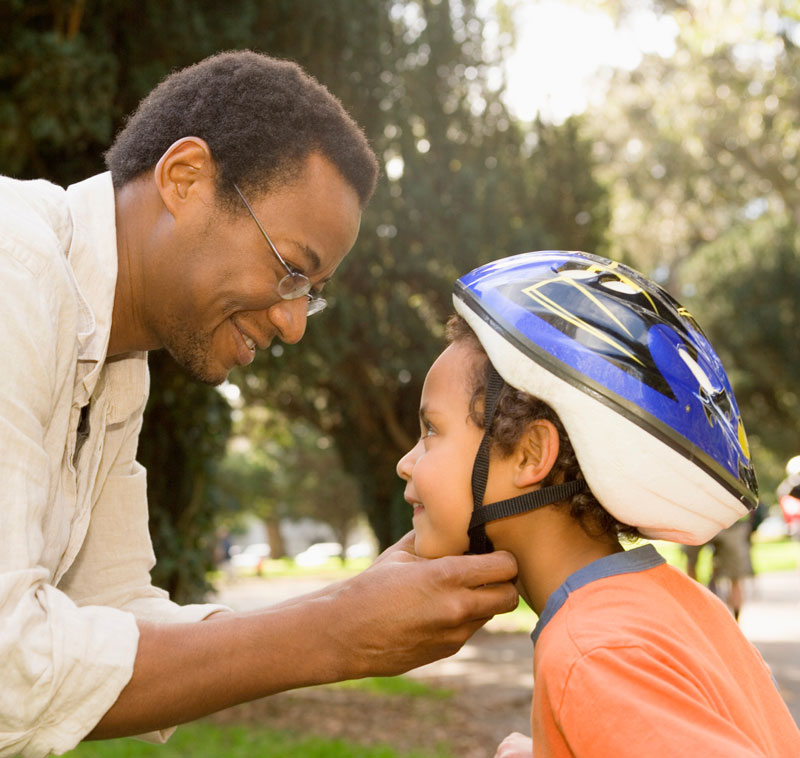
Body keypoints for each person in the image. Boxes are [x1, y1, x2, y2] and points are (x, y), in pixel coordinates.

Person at [0, 51, 518, 757]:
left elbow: (111, 609)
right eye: (290, 270)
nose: (294, 322)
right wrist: (334, 633)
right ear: (185, 180)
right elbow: (11, 667)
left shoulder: (120, 365)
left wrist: (354, 603)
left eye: (312, 292)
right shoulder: (15, 273)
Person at [396, 251, 800, 757]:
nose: (405, 464)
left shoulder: (594, 651)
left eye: (431, 430)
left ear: (530, 454)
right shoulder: (675, 603)